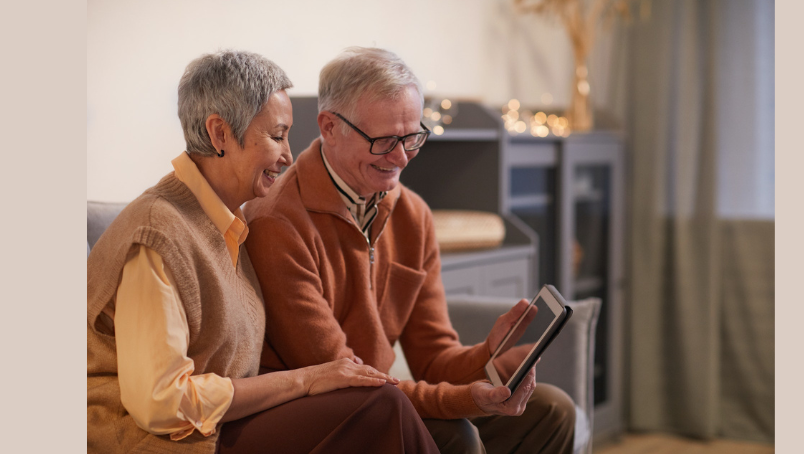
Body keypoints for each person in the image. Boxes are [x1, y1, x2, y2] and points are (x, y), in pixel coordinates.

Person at [87, 50, 440, 454]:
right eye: (276, 136)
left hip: (221, 424)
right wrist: (305, 381)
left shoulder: (226, 224)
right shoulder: (157, 235)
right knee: (381, 408)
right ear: (220, 134)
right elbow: (161, 404)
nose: (289, 155)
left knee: (389, 413)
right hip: (151, 439)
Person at [243, 47, 577, 454]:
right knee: (456, 435)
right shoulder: (277, 223)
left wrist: (491, 354)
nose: (402, 158)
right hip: (322, 415)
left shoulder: (413, 214)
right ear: (329, 127)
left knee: (553, 412)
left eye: (412, 137)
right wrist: (468, 399)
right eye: (384, 140)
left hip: (382, 400)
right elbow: (349, 379)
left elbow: (434, 359)